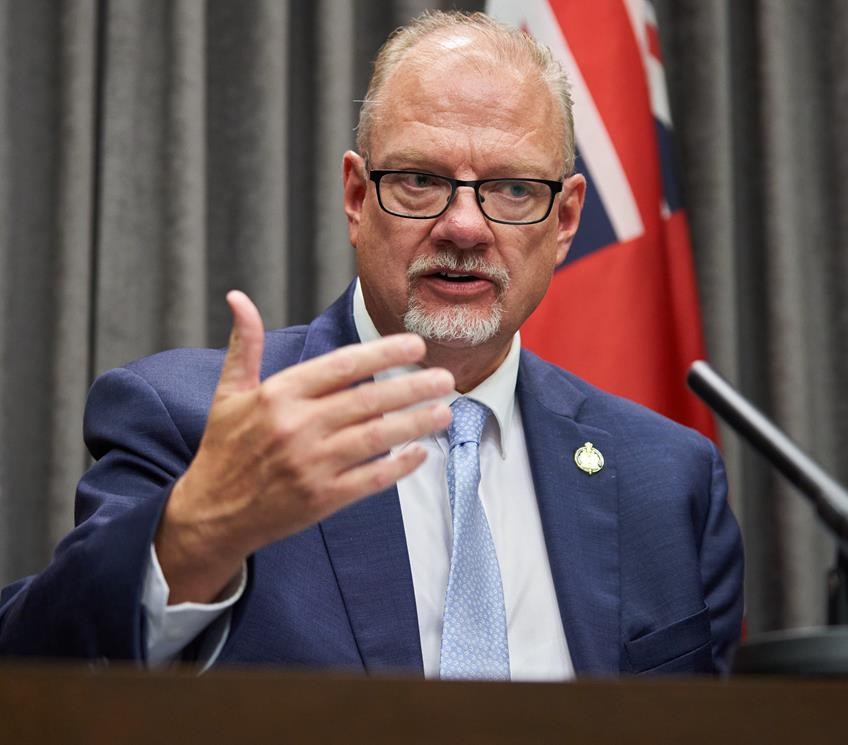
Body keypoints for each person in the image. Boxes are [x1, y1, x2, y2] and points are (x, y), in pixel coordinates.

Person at [0, 10, 742, 680]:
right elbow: (29, 667)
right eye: (420, 179)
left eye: (513, 189)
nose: (464, 226)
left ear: (567, 218)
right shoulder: (196, 425)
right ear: (357, 197)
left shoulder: (667, 481)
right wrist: (198, 531)